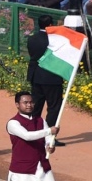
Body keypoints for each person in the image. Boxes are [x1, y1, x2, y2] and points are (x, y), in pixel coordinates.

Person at [26, 16, 66, 146]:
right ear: (50, 24)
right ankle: (48, 136)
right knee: (54, 107)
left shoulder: (32, 39)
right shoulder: (56, 41)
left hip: (36, 76)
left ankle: (33, 134)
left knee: (35, 106)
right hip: (52, 78)